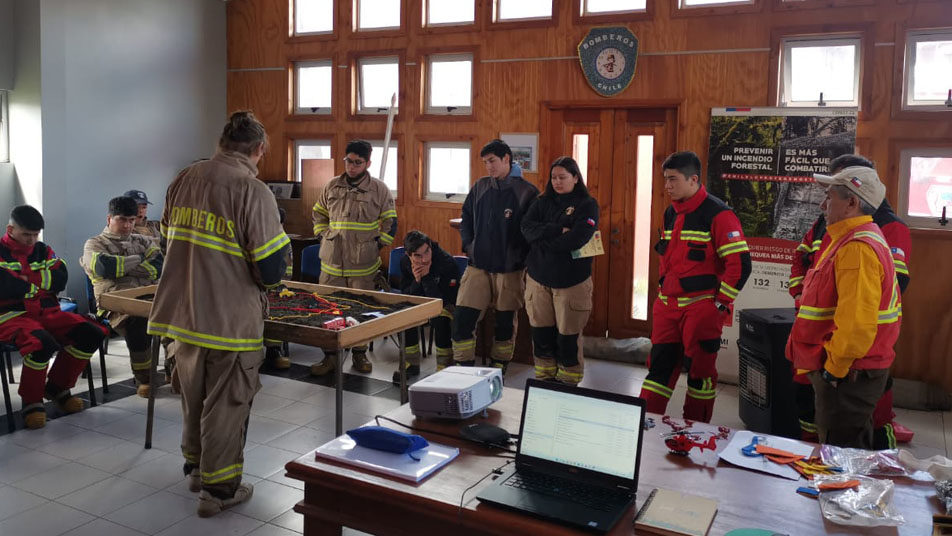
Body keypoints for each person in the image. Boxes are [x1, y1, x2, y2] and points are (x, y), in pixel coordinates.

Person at [147, 111, 290, 516]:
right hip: (230, 321)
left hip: (182, 313)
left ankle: (196, 469)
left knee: (193, 396)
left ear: (221, 143)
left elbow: (166, 240)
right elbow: (270, 267)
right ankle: (220, 489)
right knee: (227, 404)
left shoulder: (183, 179)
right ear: (258, 149)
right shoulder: (252, 189)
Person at [788, 154, 912, 448]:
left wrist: (834, 369)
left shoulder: (857, 247)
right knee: (851, 446)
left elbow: (856, 323)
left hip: (848, 372)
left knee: (841, 456)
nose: (822, 205)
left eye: (828, 197)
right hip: (851, 368)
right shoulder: (853, 238)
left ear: (852, 203)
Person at [639, 151, 751, 423]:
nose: (667, 185)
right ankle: (643, 426)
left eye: (673, 179)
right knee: (659, 369)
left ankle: (695, 430)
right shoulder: (670, 212)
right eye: (665, 179)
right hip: (667, 306)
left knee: (700, 375)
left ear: (693, 180)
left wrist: (720, 305)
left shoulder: (719, 215)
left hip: (701, 308)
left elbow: (740, 265)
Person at [0, 205, 107, 429]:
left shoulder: (43, 250)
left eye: (35, 234)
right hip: (11, 316)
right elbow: (5, 287)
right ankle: (32, 401)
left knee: (92, 333)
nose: (31, 240)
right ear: (10, 230)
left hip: (49, 312)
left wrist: (25, 281)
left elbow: (60, 278)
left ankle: (57, 388)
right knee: (41, 344)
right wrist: (39, 281)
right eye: (26, 234)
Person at [309, 139, 397, 376]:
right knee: (329, 310)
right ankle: (329, 357)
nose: (352, 166)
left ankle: (360, 354)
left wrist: (378, 244)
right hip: (331, 262)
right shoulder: (331, 186)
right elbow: (318, 213)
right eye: (348, 161)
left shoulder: (379, 189)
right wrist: (321, 235)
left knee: (360, 310)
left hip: (363, 264)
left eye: (358, 162)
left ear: (368, 163)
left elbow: (391, 222)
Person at [453, 139, 539, 372]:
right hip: (478, 266)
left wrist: (520, 257)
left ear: (506, 159)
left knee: (504, 324)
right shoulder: (480, 186)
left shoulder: (527, 192)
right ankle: (463, 366)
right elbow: (466, 218)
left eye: (492, 161)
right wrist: (469, 246)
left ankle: (499, 367)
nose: (488, 167)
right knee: (462, 317)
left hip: (510, 270)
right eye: (485, 162)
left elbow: (533, 231)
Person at [521, 156, 598, 386]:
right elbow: (526, 228)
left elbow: (577, 239)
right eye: (554, 177)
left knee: (568, 338)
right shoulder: (541, 202)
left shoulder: (587, 204)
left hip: (571, 282)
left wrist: (542, 239)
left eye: (563, 177)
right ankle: (544, 381)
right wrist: (556, 230)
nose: (557, 182)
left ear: (575, 178)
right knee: (541, 336)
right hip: (538, 278)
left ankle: (568, 383)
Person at [80, 196, 164, 397]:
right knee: (138, 324)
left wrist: (124, 267)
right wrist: (141, 260)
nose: (127, 225)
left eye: (131, 220)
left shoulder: (142, 240)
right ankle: (143, 379)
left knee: (177, 316)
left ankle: (174, 371)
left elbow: (159, 265)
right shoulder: (94, 244)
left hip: (147, 298)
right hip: (115, 305)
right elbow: (104, 267)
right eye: (122, 220)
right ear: (109, 219)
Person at [392, 230, 460, 384]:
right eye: (418, 256)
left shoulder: (446, 261)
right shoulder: (404, 263)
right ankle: (411, 363)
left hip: (445, 304)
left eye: (427, 252)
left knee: (441, 318)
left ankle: (444, 365)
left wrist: (427, 278)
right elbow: (406, 294)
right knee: (404, 314)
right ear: (409, 256)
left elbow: (445, 298)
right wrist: (416, 281)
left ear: (430, 246)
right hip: (419, 303)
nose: (424, 259)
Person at [263, 207, 292, 370]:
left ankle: (273, 350)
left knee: (274, 309)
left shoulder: (283, 242)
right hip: (258, 286)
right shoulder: (259, 237)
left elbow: (287, 273)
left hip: (277, 287)